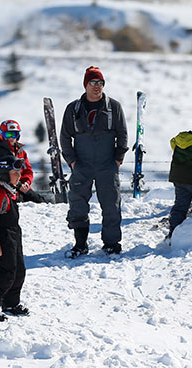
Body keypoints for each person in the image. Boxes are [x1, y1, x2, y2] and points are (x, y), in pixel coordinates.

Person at [60, 66, 128, 258]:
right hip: (82, 164)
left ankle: (112, 244)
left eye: (100, 83)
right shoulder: (73, 109)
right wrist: (72, 162)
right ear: (85, 85)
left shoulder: (114, 107)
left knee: (111, 205)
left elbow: (122, 134)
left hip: (108, 164)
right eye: (93, 83)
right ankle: (80, 244)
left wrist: (117, 159)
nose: (97, 87)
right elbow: (65, 137)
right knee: (78, 204)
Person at [0, 155, 29, 322]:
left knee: (19, 271)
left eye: (19, 172)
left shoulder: (11, 192)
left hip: (15, 234)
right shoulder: (0, 195)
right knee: (7, 272)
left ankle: (10, 303)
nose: (18, 175)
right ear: (3, 175)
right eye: (14, 173)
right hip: (4, 237)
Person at [0, 120, 47, 204]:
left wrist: (26, 182)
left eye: (15, 134)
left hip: (22, 186)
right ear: (2, 135)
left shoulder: (21, 151)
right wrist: (19, 186)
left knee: (41, 202)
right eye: (8, 134)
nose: (12, 138)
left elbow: (28, 170)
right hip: (5, 188)